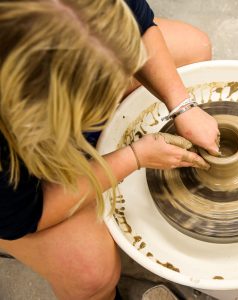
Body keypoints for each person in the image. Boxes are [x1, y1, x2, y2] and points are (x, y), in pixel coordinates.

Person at [0, 0, 219, 299]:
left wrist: (181, 105)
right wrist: (133, 157)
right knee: (92, 275)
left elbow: (140, 24)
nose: (122, 90)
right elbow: (21, 216)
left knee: (193, 49)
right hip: (14, 189)